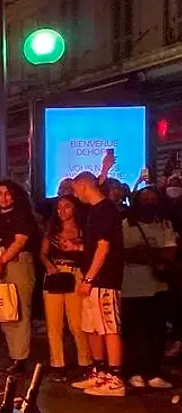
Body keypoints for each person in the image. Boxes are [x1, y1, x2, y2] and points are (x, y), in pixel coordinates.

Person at [71, 162, 128, 397]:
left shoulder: (105, 210)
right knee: (93, 327)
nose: (75, 195)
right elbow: (96, 245)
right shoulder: (95, 211)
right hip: (93, 279)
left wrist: (90, 278)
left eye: (75, 190)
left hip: (103, 280)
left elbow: (103, 248)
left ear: (84, 186)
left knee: (109, 327)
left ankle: (115, 377)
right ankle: (100, 371)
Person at [119, 185, 174, 390]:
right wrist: (145, 255)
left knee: (156, 332)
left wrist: (147, 255)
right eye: (146, 199)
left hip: (157, 286)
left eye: (153, 199)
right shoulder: (126, 225)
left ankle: (153, 371)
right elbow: (119, 252)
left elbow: (170, 251)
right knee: (133, 333)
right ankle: (133, 371)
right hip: (131, 287)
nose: (150, 203)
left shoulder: (164, 224)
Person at [0, 180, 40, 373]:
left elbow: (20, 242)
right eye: (0, 194)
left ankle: (20, 358)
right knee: (3, 310)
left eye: (7, 194)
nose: (4, 198)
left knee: (20, 310)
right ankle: (13, 354)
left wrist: (1, 260)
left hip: (17, 263)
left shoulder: (23, 216)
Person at [40, 195, 92, 380]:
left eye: (67, 207)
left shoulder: (83, 231)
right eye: (59, 207)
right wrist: (49, 265)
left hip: (75, 274)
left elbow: (90, 252)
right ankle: (58, 365)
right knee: (54, 324)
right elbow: (43, 254)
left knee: (77, 323)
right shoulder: (52, 230)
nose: (62, 211)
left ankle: (85, 362)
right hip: (55, 274)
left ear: (75, 209)